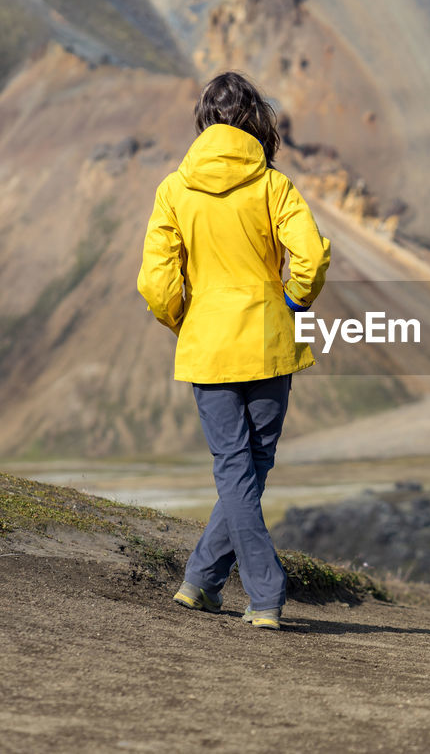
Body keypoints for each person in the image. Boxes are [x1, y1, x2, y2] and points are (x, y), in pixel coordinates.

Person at [137, 71, 331, 631]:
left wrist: (184, 320)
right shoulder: (273, 185)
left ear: (204, 120)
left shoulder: (174, 189)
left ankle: (201, 582)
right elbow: (311, 259)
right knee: (252, 465)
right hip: (270, 342)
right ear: (256, 121)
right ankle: (266, 594)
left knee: (233, 467)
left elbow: (156, 283)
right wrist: (294, 300)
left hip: (208, 347)